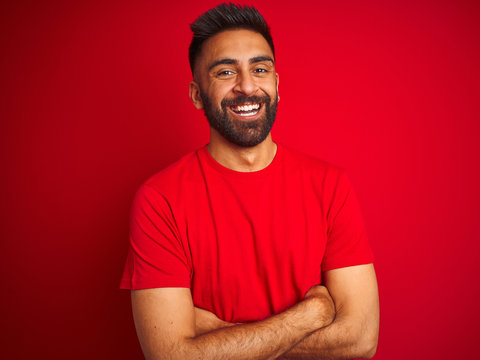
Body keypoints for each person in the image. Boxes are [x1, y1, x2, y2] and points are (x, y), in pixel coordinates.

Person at [120, 3, 379, 359]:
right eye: (225, 72)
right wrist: (311, 315)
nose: (247, 86)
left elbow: (361, 339)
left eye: (260, 69)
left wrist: (214, 335)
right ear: (197, 95)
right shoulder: (159, 200)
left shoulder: (330, 185)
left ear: (276, 83)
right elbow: (169, 356)